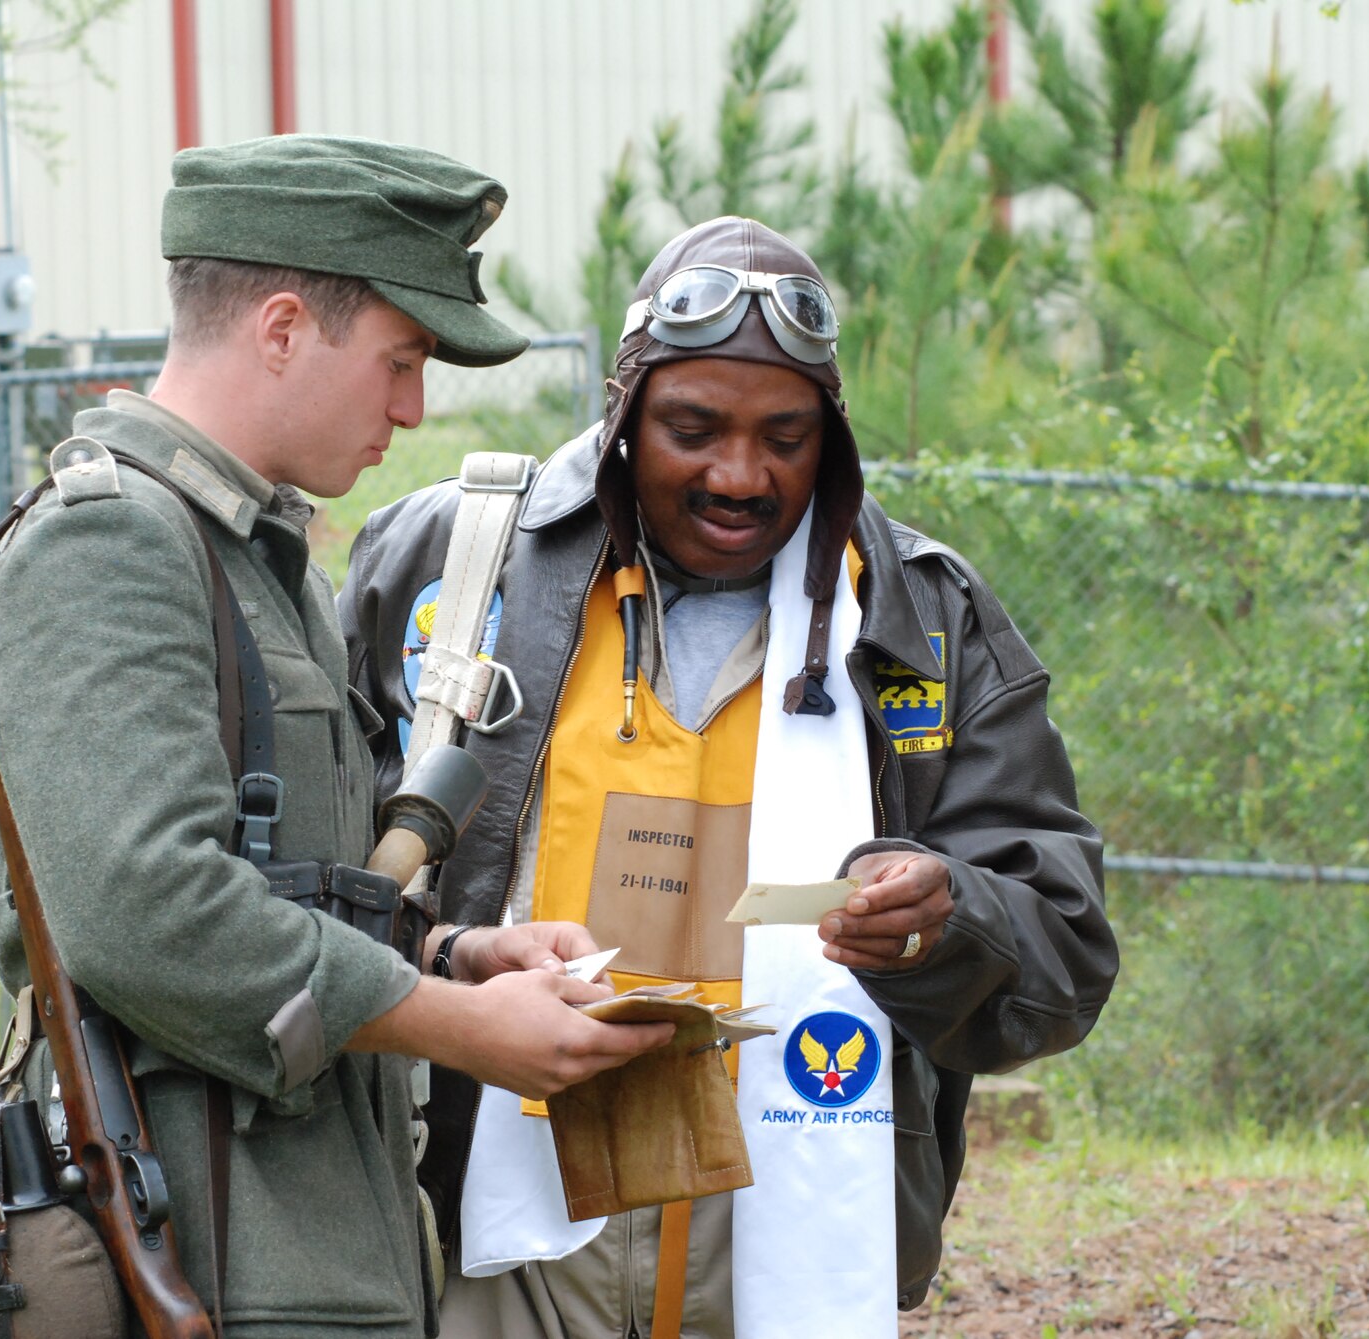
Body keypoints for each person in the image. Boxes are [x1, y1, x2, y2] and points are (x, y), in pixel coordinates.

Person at [338, 216, 1118, 1339]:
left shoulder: (920, 625)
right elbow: (316, 886)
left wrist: (949, 921)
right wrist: (450, 965)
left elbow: (1064, 957)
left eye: (784, 437)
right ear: (621, 418)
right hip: (490, 1207)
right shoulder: (448, 570)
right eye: (691, 429)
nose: (738, 475)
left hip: (790, 1193)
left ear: (831, 442)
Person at [0, 135, 671, 1339]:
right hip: (208, 1254)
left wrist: (451, 955)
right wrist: (453, 1027)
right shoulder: (114, 544)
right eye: (399, 361)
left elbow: (292, 883)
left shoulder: (255, 557)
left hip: (306, 1251)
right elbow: (147, 906)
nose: (410, 406)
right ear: (284, 327)